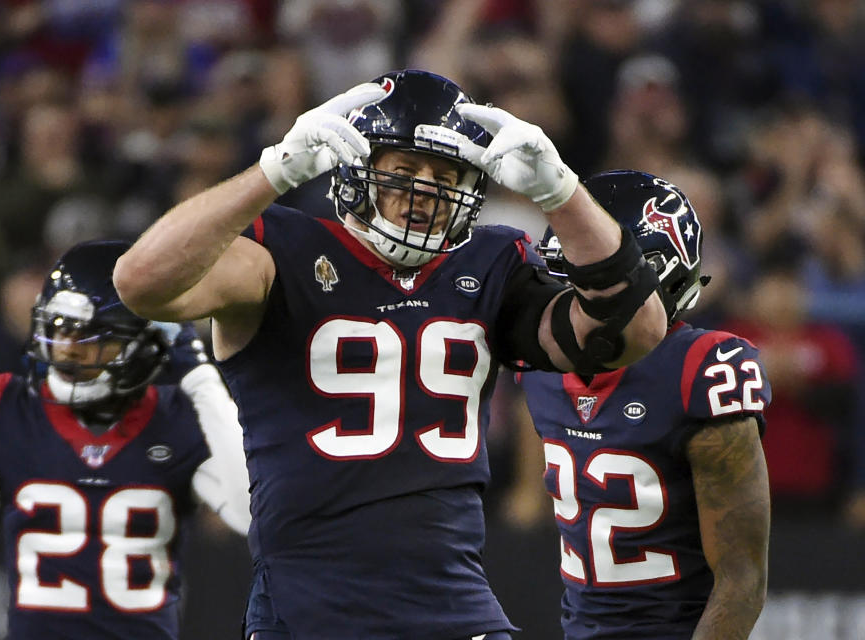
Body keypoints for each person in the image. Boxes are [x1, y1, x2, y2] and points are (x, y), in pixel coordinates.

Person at [113, 69, 667, 639]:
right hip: (309, 609)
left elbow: (639, 332)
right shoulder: (282, 251)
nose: (425, 190)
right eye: (404, 171)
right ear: (356, 169)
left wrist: (563, 194)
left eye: (445, 174)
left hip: (456, 606)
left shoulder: (490, 263)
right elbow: (141, 281)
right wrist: (272, 171)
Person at [0, 240, 251, 640]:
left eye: (90, 338)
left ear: (138, 342)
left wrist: (201, 380)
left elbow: (253, 514)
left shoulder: (177, 416)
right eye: (59, 330)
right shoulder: (3, 408)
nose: (67, 350)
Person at [521, 170, 771, 639]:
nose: (579, 294)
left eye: (601, 278)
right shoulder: (540, 364)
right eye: (570, 271)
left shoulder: (702, 368)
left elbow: (742, 581)